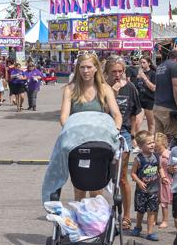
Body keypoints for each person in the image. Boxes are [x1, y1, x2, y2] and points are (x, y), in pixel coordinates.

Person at [59, 52, 122, 200]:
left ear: (96, 68)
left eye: (89, 67)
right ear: (77, 69)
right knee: (79, 187)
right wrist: (69, 129)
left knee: (96, 188)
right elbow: (63, 116)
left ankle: (94, 219)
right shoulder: (70, 89)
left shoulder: (104, 88)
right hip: (78, 139)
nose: (85, 71)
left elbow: (116, 114)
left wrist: (116, 131)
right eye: (82, 67)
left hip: (98, 140)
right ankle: (81, 216)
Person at [104, 55, 143, 231]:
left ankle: (126, 216)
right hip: (103, 132)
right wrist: (112, 92)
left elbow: (136, 111)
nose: (117, 75)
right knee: (101, 176)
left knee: (121, 177)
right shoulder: (102, 88)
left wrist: (134, 132)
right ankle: (102, 213)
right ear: (107, 73)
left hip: (124, 133)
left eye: (120, 71)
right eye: (114, 72)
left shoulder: (131, 87)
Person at [130, 131, 163, 241]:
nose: (152, 145)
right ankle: (138, 226)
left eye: (153, 142)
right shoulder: (138, 159)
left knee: (151, 211)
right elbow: (133, 173)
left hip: (153, 190)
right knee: (140, 210)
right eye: (149, 143)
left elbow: (160, 168)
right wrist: (139, 182)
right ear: (140, 146)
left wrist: (163, 176)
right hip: (142, 191)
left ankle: (150, 232)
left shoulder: (156, 157)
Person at [152, 47, 177, 136]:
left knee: (159, 138)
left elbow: (164, 86)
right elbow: (176, 85)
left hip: (157, 106)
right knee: (171, 138)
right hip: (168, 108)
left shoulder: (161, 66)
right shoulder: (175, 65)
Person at [134, 56, 158, 132]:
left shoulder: (153, 74)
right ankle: (135, 140)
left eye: (144, 62)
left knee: (151, 123)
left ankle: (150, 140)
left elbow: (153, 88)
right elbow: (136, 87)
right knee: (137, 123)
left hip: (150, 100)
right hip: (140, 101)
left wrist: (145, 78)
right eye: (140, 62)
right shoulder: (139, 74)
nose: (142, 64)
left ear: (149, 63)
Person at [155, 132, 173, 229]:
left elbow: (174, 167)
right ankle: (154, 219)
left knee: (164, 202)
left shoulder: (169, 155)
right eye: (155, 148)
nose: (157, 150)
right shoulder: (156, 155)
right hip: (156, 180)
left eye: (158, 148)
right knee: (156, 201)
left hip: (166, 181)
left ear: (164, 144)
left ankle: (165, 220)